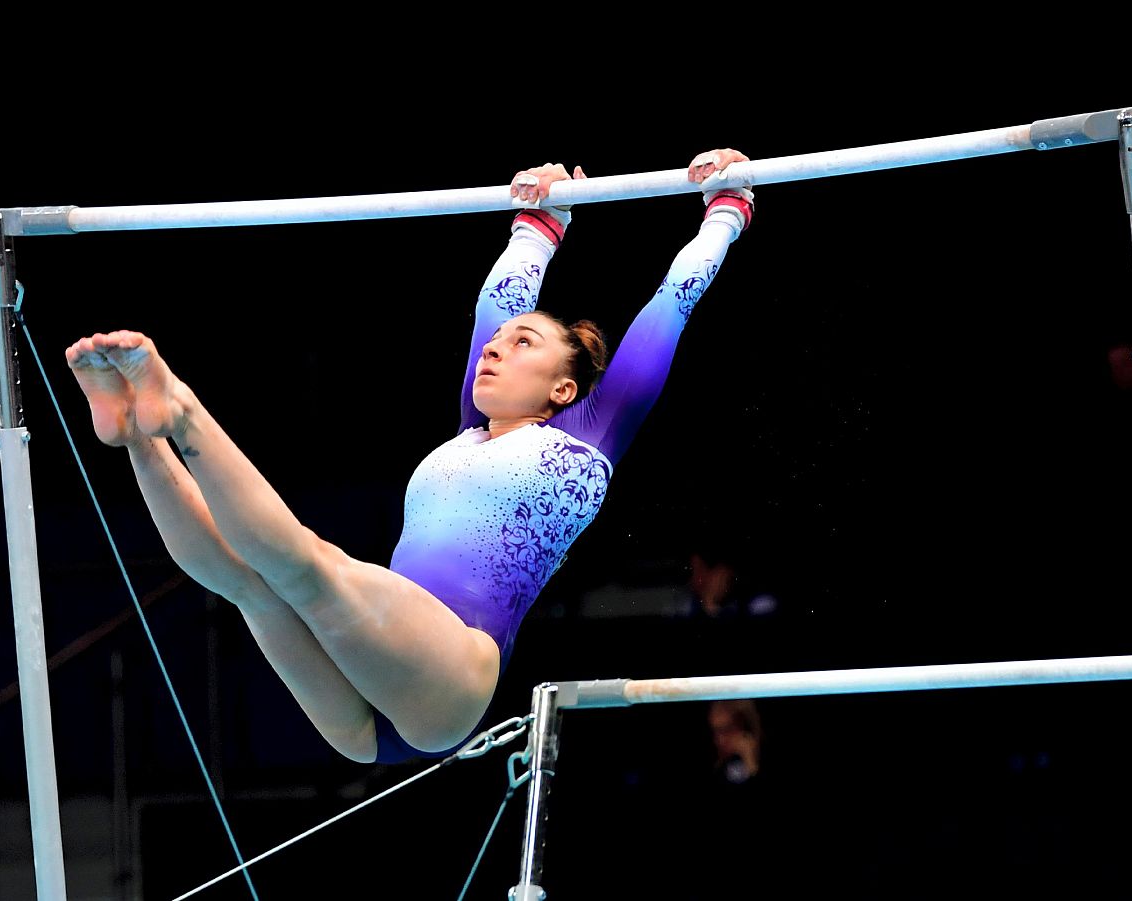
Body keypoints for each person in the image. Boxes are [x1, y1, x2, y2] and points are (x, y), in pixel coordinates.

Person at [65, 150, 756, 764]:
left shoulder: (592, 435)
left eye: (523, 344)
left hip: (435, 673)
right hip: (424, 684)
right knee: (250, 580)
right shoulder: (470, 428)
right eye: (496, 342)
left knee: (301, 570)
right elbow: (498, 299)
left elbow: (673, 300)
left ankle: (177, 412)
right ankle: (137, 436)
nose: (494, 348)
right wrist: (541, 223)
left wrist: (727, 207)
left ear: (564, 389)